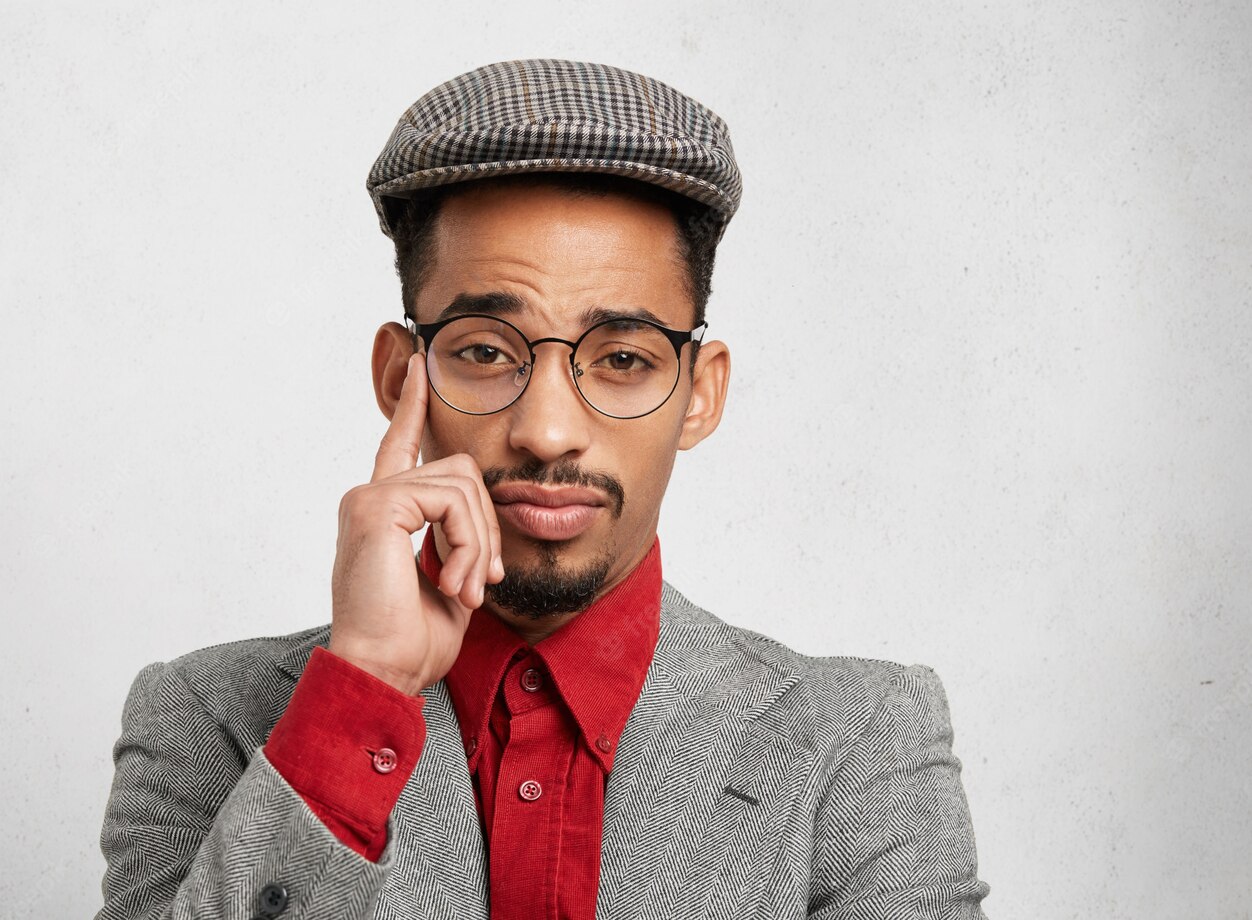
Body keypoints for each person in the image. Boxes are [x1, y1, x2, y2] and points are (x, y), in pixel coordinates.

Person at [95, 59, 989, 920]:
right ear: (400, 376)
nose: (549, 430)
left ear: (700, 394)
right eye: (485, 351)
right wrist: (360, 691)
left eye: (625, 359)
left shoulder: (863, 744)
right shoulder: (204, 720)